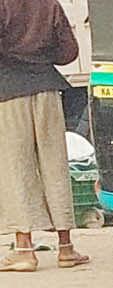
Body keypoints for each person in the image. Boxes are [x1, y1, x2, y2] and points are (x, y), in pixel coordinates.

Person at [0, 0, 83, 271]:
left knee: (16, 168)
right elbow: (69, 52)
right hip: (48, 89)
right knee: (55, 164)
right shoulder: (48, 3)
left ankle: (24, 249)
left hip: (9, 91)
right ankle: (66, 248)